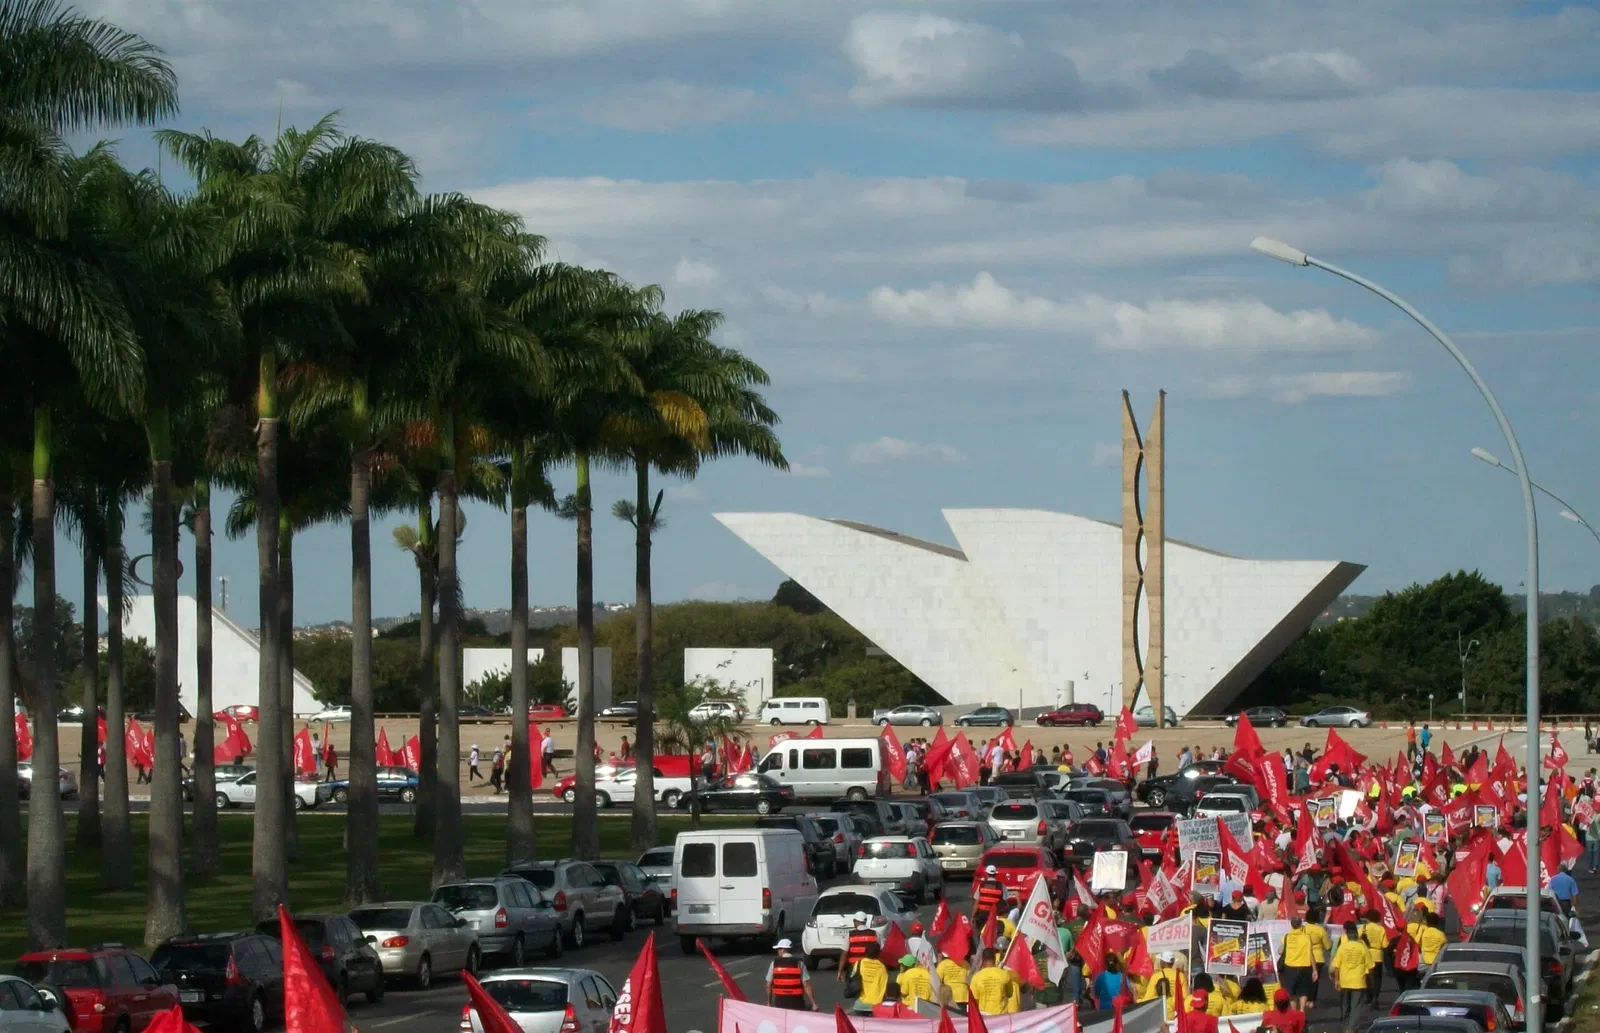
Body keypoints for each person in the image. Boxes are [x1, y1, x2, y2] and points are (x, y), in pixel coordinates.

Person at [1332, 921, 1370, 1033]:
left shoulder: (1342, 947)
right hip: (1358, 981)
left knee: (1345, 1005)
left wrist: (1336, 980)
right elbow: (1370, 966)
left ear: (1347, 937)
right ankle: (1352, 1028)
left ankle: (1345, 1026)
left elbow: (1336, 966)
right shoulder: (1363, 947)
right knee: (1356, 1006)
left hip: (1344, 981)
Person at [1279, 914, 1321, 1011]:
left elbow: (1280, 951)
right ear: (1301, 925)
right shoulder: (1306, 937)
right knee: (1303, 992)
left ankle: (1294, 1013)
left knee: (1291, 992)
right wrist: (1315, 970)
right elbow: (1311, 954)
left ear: (1291, 925)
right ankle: (1302, 1011)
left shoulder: (1286, 937)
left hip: (1290, 967)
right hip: (1304, 967)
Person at [766, 939, 816, 1010]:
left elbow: (768, 986)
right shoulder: (799, 963)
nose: (778, 951)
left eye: (779, 949)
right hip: (797, 1003)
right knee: (808, 1008)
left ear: (784, 950)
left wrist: (769, 1003)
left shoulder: (774, 963)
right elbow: (806, 985)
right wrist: (814, 1004)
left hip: (779, 1004)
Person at [968, 949, 1016, 1016]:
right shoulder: (1004, 974)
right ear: (994, 958)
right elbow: (1009, 994)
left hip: (984, 1016)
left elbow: (974, 1000)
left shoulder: (976, 977)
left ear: (983, 959)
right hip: (1001, 1016)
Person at [852, 942, 888, 1013]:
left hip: (860, 1005)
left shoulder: (859, 963)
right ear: (878, 953)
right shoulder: (882, 967)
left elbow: (852, 978)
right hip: (877, 1005)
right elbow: (884, 986)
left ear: (865, 952)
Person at [840, 912, 877, 982]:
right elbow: (881, 950)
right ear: (865, 921)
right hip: (871, 968)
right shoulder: (875, 934)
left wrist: (840, 972)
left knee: (853, 990)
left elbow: (844, 954)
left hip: (854, 969)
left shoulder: (850, 935)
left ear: (855, 921)